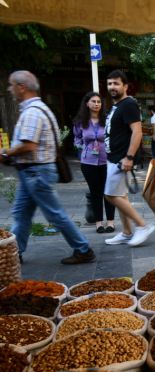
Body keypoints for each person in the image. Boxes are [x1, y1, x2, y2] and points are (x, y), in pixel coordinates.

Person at [1, 71, 95, 264]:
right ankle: (13, 253)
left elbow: (29, 145)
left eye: (11, 86)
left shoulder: (33, 112)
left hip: (36, 172)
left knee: (54, 214)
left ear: (21, 87)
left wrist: (6, 153)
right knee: (21, 214)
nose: (10, 90)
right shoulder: (38, 109)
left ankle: (83, 249)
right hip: (32, 172)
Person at [103, 69, 155, 247]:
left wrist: (129, 157)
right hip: (114, 157)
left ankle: (142, 225)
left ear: (125, 86)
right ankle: (127, 232)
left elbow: (137, 131)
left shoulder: (128, 104)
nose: (112, 86)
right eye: (110, 83)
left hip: (121, 158)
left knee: (110, 195)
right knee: (121, 196)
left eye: (116, 83)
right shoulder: (117, 105)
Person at [73, 91, 115, 234]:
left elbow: (114, 137)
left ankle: (110, 222)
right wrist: (83, 148)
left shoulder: (107, 119)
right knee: (95, 193)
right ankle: (98, 223)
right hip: (88, 162)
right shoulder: (80, 121)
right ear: (87, 104)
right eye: (93, 101)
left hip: (106, 161)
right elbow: (77, 138)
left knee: (108, 192)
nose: (96, 104)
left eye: (99, 102)